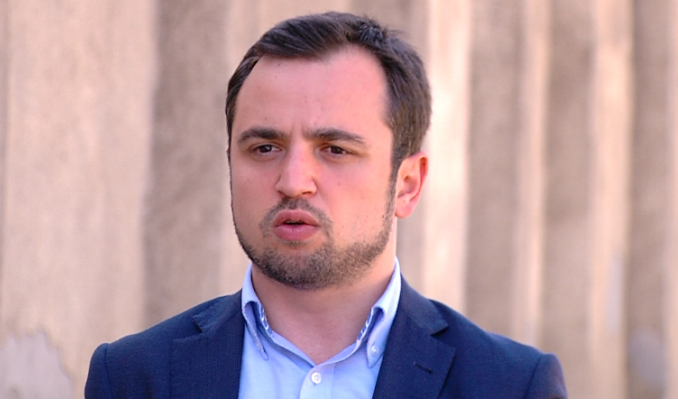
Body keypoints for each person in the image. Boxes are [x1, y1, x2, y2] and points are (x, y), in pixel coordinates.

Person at [85, 12, 567, 399]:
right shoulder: (132, 377)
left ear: (407, 185)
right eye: (264, 148)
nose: (293, 182)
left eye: (335, 149)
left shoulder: (510, 385)